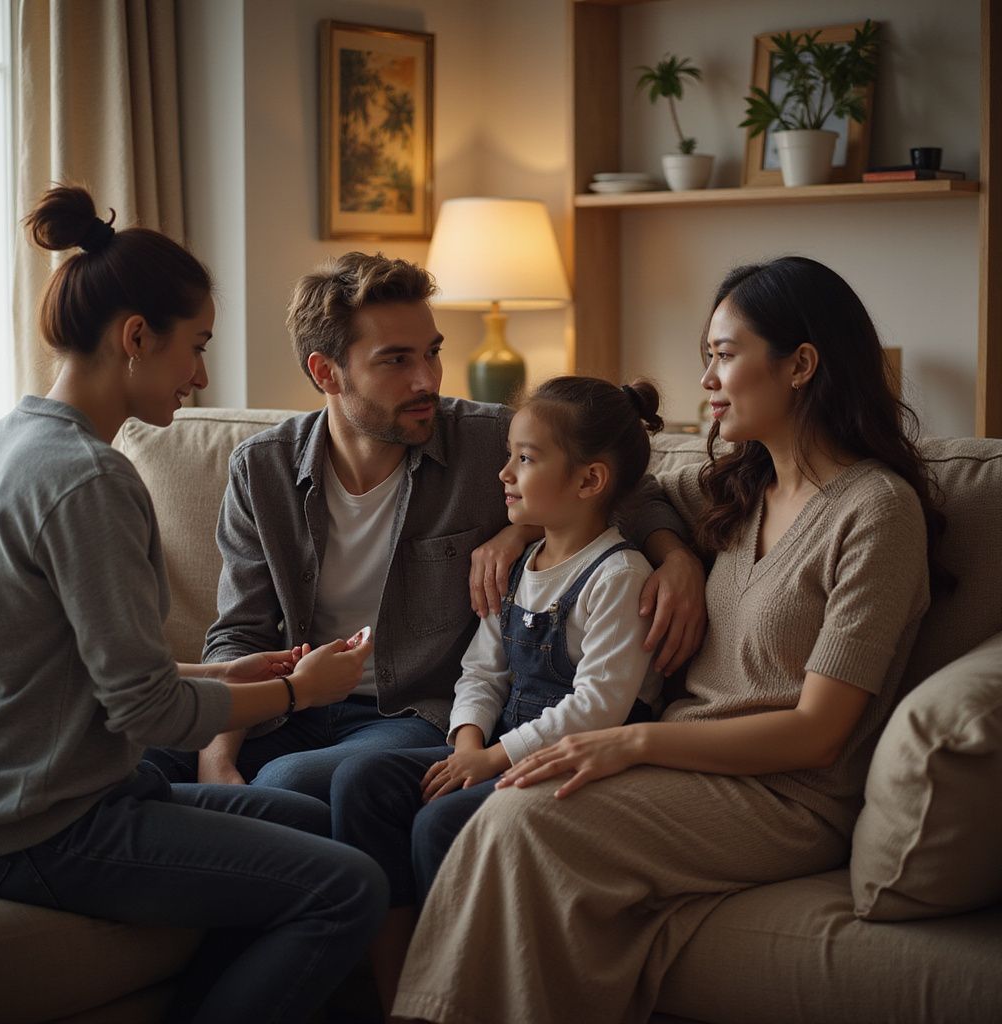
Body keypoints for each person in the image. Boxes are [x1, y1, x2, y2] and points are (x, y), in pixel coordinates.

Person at [390, 255, 949, 1024]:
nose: (708, 379)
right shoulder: (737, 486)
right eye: (706, 358)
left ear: (801, 365)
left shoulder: (876, 514)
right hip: (681, 763)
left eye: (724, 355)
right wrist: (675, 555)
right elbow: (613, 481)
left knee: (519, 817)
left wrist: (634, 745)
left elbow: (819, 735)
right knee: (476, 803)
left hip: (786, 798)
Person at [0, 185, 389, 1024]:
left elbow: (73, 662)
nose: (202, 376)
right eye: (195, 347)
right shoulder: (88, 479)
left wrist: (225, 670)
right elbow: (145, 709)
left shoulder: (5, 441)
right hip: (44, 826)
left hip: (40, 793)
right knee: (349, 887)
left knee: (309, 813)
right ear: (136, 337)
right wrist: (299, 693)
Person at [145, 252, 707, 803]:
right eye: (396, 360)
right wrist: (215, 759)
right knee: (122, 758)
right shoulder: (261, 469)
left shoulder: (487, 439)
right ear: (326, 372)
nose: (427, 379)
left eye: (432, 353)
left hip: (407, 715)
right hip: (285, 708)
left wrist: (674, 557)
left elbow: (625, 485)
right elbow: (239, 633)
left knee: (285, 785)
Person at [330, 374, 668, 1013]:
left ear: (589, 481)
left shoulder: (618, 576)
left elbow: (598, 708)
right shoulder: (518, 564)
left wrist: (491, 760)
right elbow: (482, 672)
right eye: (510, 454)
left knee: (438, 823)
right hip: (495, 750)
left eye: (526, 458)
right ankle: (393, 984)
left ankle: (450, 995)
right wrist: (466, 743)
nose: (504, 473)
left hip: (570, 762)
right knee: (361, 782)